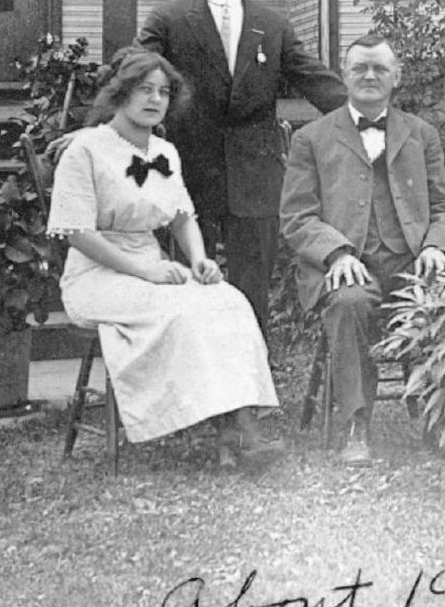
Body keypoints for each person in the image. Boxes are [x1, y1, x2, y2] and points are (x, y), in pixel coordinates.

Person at [45, 48, 282, 470]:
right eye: (144, 90)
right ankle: (234, 429)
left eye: (164, 92)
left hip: (154, 269)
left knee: (228, 300)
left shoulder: (164, 152)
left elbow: (182, 216)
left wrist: (200, 260)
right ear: (118, 94)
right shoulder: (86, 150)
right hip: (97, 276)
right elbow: (76, 234)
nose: (155, 100)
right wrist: (145, 270)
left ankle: (239, 427)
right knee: (183, 311)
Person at [136, 0, 347, 341]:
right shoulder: (170, 20)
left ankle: (252, 383)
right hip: (190, 173)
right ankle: (193, 381)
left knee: (253, 288)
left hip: (256, 176)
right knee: (188, 285)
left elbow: (314, 80)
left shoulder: (272, 25)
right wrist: (100, 133)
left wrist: (369, 117)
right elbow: (132, 79)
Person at [280, 34, 445, 467]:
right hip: (345, 265)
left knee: (437, 298)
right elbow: (296, 216)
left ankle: (439, 418)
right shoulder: (312, 138)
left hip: (408, 260)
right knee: (348, 303)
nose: (369, 76)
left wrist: (436, 245)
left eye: (380, 68)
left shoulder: (421, 134)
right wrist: (336, 254)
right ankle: (356, 424)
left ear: (396, 77)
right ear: (344, 75)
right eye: (360, 67)